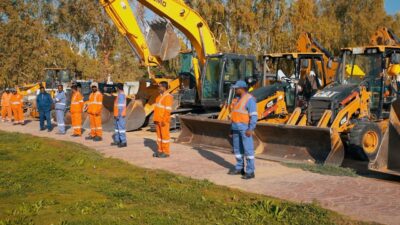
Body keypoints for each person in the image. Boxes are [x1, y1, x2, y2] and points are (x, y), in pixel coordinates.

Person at [228, 80, 257, 179]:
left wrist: (251, 128)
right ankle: (239, 168)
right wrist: (231, 129)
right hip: (235, 127)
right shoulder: (236, 99)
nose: (235, 90)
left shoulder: (250, 99)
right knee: (237, 150)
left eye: (236, 88)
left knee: (248, 150)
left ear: (241, 89)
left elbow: (253, 116)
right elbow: (234, 115)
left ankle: (250, 171)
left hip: (245, 129)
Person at [153, 81, 173, 158]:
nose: (158, 88)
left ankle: (166, 152)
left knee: (165, 137)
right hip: (158, 120)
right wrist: (155, 119)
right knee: (159, 137)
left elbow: (167, 111)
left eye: (160, 86)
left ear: (164, 88)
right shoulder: (158, 97)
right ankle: (160, 150)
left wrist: (164, 121)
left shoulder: (168, 97)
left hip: (163, 121)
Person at [111, 83, 127, 148]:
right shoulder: (120, 94)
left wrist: (118, 115)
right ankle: (117, 140)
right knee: (117, 129)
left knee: (121, 128)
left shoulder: (121, 95)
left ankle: (123, 142)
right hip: (118, 115)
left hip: (120, 115)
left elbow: (120, 106)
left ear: (118, 88)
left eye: (116, 88)